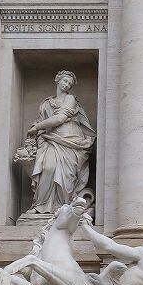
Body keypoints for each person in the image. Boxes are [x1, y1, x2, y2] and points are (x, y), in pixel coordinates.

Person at [27, 71, 95, 214]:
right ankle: (40, 205)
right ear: (57, 80)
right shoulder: (46, 103)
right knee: (48, 168)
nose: (67, 85)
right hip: (51, 138)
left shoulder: (70, 99)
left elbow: (60, 119)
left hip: (70, 139)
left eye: (70, 83)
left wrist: (37, 127)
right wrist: (36, 129)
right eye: (65, 81)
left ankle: (63, 206)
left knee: (66, 174)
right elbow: (41, 120)